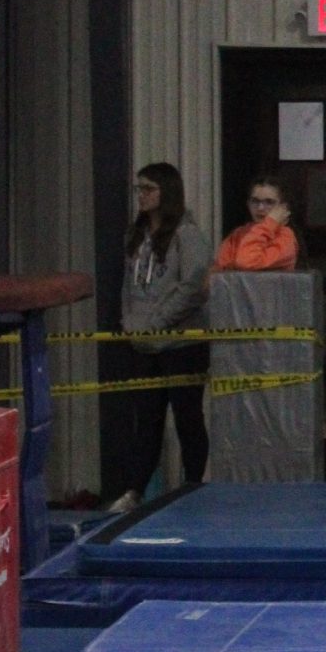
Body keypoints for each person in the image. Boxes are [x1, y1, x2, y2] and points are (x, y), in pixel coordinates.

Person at [112, 162, 211, 511]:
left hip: (183, 343)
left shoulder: (187, 235)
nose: (141, 195)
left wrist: (157, 321)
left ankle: (194, 485)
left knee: (187, 417)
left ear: (165, 193)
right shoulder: (135, 234)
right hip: (144, 342)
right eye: (139, 189)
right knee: (147, 419)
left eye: (148, 189)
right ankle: (134, 490)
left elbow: (194, 287)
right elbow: (128, 283)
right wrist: (130, 320)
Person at [213, 174, 302, 272]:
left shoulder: (286, 237)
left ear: (283, 208)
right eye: (255, 201)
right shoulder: (238, 233)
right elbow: (216, 274)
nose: (260, 208)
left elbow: (246, 262)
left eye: (269, 202)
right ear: (248, 204)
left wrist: (270, 223)